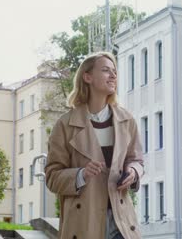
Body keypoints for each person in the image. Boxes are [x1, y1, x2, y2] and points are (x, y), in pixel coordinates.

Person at [45, 51, 144, 239]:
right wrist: (81, 174)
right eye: (106, 70)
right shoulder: (65, 125)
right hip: (84, 223)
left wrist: (133, 171)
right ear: (88, 77)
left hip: (121, 219)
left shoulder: (127, 120)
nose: (113, 75)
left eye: (114, 71)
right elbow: (52, 177)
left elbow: (137, 160)